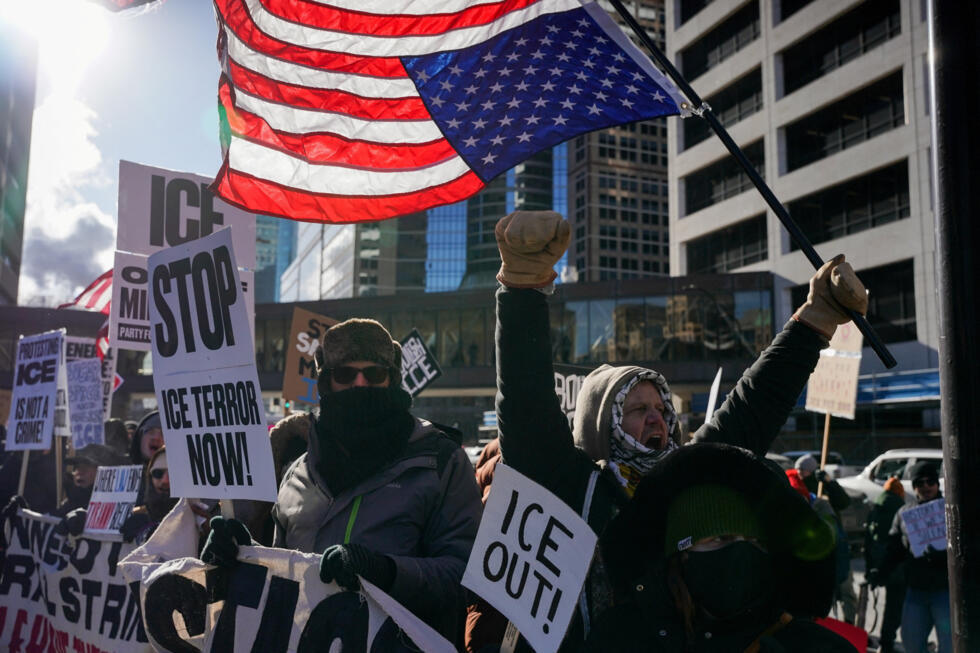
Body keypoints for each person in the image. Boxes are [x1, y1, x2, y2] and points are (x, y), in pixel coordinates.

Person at [491, 210, 868, 650]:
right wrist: (522, 289)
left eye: (661, 408)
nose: (657, 419)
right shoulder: (569, 483)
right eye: (636, 409)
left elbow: (754, 405)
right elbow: (526, 403)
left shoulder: (688, 476)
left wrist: (816, 319)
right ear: (600, 423)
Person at [201, 318, 482, 642]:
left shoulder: (439, 462)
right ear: (326, 383)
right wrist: (239, 555)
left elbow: (466, 578)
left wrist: (385, 572)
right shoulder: (297, 471)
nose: (360, 384)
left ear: (392, 380)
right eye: (346, 374)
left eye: (374, 374)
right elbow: (279, 583)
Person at [587, 442, 853, 652]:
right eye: (720, 539)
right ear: (681, 555)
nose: (741, 554)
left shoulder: (810, 645)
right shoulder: (624, 637)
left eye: (754, 542)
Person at [873, 461, 950, 653]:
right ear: (914, 487)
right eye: (920, 483)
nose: (926, 487)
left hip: (946, 591)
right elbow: (894, 550)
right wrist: (881, 571)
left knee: (950, 646)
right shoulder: (904, 513)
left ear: (937, 484)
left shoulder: (951, 510)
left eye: (930, 481)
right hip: (916, 590)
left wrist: (943, 555)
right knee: (911, 643)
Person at [794, 454, 857, 622]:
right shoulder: (796, 488)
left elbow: (844, 502)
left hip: (836, 547)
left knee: (846, 590)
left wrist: (829, 483)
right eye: (798, 470)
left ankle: (850, 624)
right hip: (814, 549)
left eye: (804, 470)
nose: (800, 473)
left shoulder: (822, 486)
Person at [864, 477, 907, 653]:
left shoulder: (875, 509)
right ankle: (889, 642)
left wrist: (871, 569)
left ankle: (885, 641)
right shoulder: (903, 510)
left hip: (878, 565)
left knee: (891, 606)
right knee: (898, 606)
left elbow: (867, 542)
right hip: (898, 568)